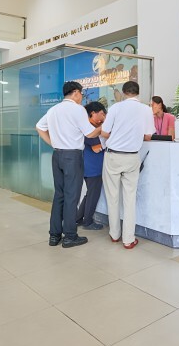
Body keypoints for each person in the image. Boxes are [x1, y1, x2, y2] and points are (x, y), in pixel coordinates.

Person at [36, 81, 102, 248]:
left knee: (59, 195)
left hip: (57, 155)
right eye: (81, 93)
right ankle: (70, 236)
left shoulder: (54, 109)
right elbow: (90, 133)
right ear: (75, 92)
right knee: (72, 196)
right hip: (72, 157)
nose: (81, 97)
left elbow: (39, 127)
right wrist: (103, 127)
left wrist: (53, 143)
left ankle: (54, 236)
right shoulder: (77, 109)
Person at [101, 81, 156, 249]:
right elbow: (148, 136)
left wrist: (118, 134)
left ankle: (114, 234)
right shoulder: (146, 110)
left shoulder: (115, 108)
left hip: (112, 156)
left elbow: (104, 132)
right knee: (130, 198)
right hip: (132, 157)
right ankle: (128, 239)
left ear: (124, 92)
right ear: (138, 93)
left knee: (112, 197)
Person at [77, 102, 107, 230]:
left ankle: (78, 218)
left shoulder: (88, 127)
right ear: (93, 113)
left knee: (90, 193)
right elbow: (97, 148)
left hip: (89, 166)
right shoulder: (89, 128)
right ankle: (88, 222)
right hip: (93, 167)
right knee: (93, 195)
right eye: (102, 114)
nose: (103, 117)